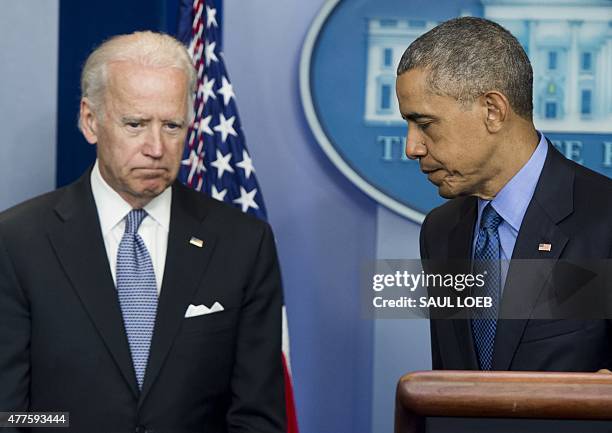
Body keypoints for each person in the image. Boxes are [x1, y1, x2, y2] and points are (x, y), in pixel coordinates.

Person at [0, 31, 285, 432]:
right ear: (90, 121)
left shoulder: (243, 243)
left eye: (172, 126)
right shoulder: (17, 241)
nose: (156, 147)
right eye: (135, 124)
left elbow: (256, 415)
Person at [396, 17, 612, 371]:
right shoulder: (440, 231)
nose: (412, 147)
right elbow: (446, 391)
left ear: (492, 111)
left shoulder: (604, 220)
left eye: (425, 124)